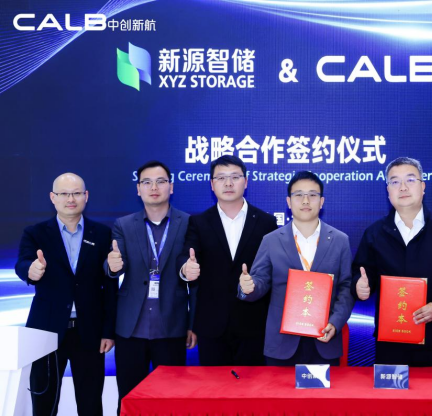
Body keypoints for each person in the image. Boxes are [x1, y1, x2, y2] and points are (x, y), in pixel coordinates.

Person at [351, 157, 432, 366]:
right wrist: (360, 286)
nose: (403, 187)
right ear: (388, 190)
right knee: (390, 388)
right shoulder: (374, 233)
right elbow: (361, 272)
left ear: (423, 186)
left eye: (410, 180)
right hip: (390, 343)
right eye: (395, 182)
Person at [15, 173, 115, 416]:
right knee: (44, 404)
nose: (71, 199)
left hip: (89, 333)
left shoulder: (102, 234)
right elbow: (23, 263)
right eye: (64, 194)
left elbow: (110, 286)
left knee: (91, 405)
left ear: (86, 196)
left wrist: (108, 331)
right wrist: (31, 270)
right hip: (46, 331)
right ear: (53, 197)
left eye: (76, 193)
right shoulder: (35, 233)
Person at [105, 161, 195, 411]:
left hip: (172, 326)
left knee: (171, 403)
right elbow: (115, 264)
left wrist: (192, 324)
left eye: (160, 182)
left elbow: (195, 279)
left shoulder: (188, 223)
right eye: (147, 182)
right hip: (131, 328)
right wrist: (112, 265)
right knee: (129, 400)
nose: (154, 187)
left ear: (171, 187)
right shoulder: (124, 225)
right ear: (138, 189)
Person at [238, 171, 354, 365]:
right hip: (281, 343)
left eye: (312, 195)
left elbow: (346, 287)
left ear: (322, 201)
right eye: (299, 195)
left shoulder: (340, 240)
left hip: (324, 339)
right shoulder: (271, 240)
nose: (305, 200)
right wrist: (248, 287)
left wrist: (335, 323)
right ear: (289, 202)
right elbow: (260, 281)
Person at [177, 155, 277, 365]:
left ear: (246, 182)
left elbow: (272, 271)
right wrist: (186, 269)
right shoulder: (199, 222)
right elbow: (186, 256)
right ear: (212, 184)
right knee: (213, 385)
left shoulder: (266, 222)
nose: (228, 183)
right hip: (212, 325)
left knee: (253, 384)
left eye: (235, 177)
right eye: (221, 178)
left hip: (254, 323)